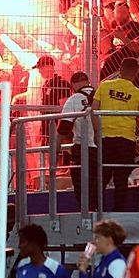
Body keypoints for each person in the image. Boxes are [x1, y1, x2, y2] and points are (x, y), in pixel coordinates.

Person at [92, 58, 139, 211]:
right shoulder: (138, 94)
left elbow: (94, 110)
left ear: (120, 70)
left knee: (102, 175)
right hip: (126, 140)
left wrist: (97, 132)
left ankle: (95, 209)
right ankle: (119, 211)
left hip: (106, 138)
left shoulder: (105, 86)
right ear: (136, 73)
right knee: (121, 178)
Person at [57, 71, 98, 210]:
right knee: (98, 186)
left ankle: (86, 215)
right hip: (104, 147)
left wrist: (56, 150)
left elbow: (64, 128)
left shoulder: (74, 99)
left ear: (73, 84)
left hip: (83, 148)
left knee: (81, 188)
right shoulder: (101, 96)